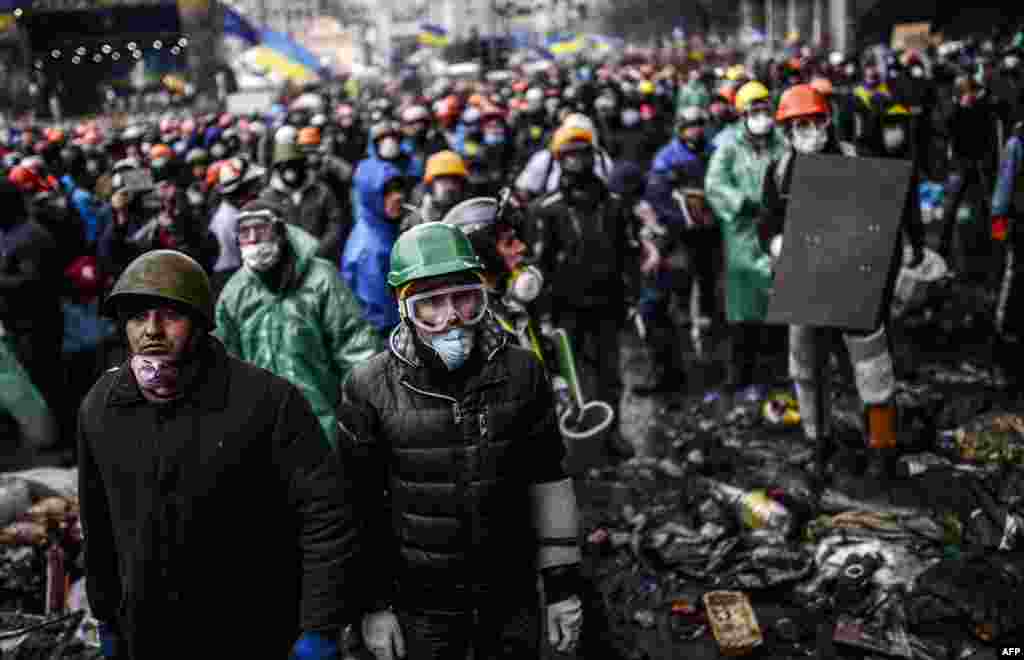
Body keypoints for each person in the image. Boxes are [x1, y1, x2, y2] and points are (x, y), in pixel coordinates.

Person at [78, 249, 362, 660]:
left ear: (200, 324)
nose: (151, 331)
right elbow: (98, 522)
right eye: (138, 317)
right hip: (149, 632)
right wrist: (106, 614)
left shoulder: (269, 402)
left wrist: (320, 624)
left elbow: (325, 519)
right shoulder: (102, 407)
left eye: (169, 316)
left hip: (253, 631)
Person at [338, 222, 583, 660]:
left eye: (465, 299)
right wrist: (374, 607)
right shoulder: (368, 387)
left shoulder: (523, 373)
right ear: (403, 309)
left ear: (484, 295)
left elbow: (549, 480)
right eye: (430, 304)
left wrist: (562, 587)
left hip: (511, 595)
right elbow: (361, 506)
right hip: (420, 605)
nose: (451, 319)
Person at [761, 84, 921, 482]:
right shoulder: (780, 172)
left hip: (857, 284)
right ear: (787, 131)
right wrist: (775, 242)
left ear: (828, 121)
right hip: (806, 285)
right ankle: (819, 444)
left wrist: (893, 269)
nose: (808, 131)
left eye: (814, 122)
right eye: (799, 125)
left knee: (873, 370)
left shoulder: (858, 159)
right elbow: (766, 222)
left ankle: (882, 447)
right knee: (806, 369)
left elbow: (891, 211)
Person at [214, 200, 379, 449]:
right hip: (265, 430)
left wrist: (359, 410)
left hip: (324, 424)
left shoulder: (321, 278)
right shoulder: (234, 293)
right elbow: (227, 364)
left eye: (261, 229)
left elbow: (354, 346)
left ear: (280, 231)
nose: (253, 239)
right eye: (244, 233)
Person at [528, 124, 631, 409]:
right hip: (566, 305)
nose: (577, 161)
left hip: (607, 301)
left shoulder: (613, 204)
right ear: (559, 160)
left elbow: (626, 253)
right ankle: (576, 430)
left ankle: (612, 430)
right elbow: (540, 264)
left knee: (609, 370)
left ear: (593, 157)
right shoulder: (546, 208)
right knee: (570, 371)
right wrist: (544, 313)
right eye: (569, 155)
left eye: (583, 154)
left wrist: (631, 296)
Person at [704, 80, 787, 399]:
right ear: (742, 114)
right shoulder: (728, 147)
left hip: (778, 232)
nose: (761, 117)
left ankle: (776, 375)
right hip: (742, 235)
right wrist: (742, 201)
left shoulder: (782, 144)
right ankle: (738, 376)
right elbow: (715, 184)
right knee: (742, 312)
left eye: (766, 110)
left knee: (779, 305)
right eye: (755, 111)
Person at [343, 156, 409, 335]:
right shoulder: (370, 249)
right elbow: (381, 315)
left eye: (399, 189)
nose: (398, 197)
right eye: (387, 192)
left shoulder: (381, 225)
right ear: (371, 196)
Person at [401, 150, 469, 231]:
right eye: (443, 180)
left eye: (455, 180)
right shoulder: (417, 212)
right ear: (431, 184)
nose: (450, 186)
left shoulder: (468, 208)